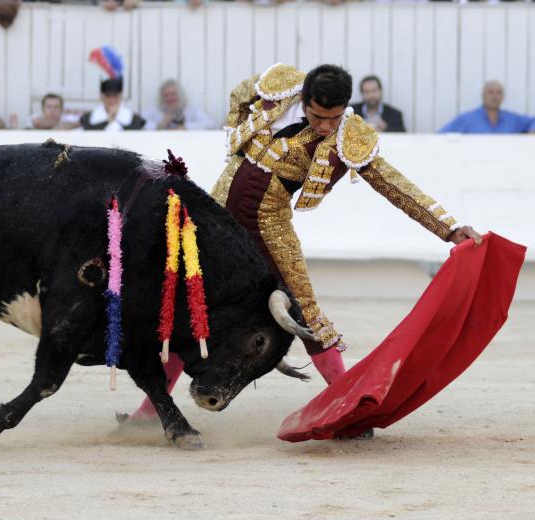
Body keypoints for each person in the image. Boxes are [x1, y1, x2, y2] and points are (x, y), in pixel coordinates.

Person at [125, 63, 482, 425]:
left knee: (304, 309)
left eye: (334, 118)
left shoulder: (348, 136)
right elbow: (240, 95)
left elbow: (394, 184)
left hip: (268, 226)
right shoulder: (279, 88)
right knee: (189, 304)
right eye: (318, 116)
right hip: (216, 216)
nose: (325, 126)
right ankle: (151, 410)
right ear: (304, 99)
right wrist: (237, 134)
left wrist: (450, 228)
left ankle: (347, 405)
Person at [439, 80, 532, 134]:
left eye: (499, 92)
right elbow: (440, 135)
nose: (495, 96)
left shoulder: (512, 119)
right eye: (490, 92)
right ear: (483, 95)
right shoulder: (467, 119)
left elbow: (532, 121)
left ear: (503, 97)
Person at [143, 79, 214, 131]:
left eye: (173, 94)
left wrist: (185, 127)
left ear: (180, 95)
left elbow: (210, 124)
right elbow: (140, 124)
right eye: (165, 95)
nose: (169, 98)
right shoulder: (154, 110)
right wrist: (159, 126)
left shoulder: (191, 109)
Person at [80, 78, 145, 131]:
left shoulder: (134, 118)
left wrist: (114, 117)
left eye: (115, 95)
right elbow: (89, 131)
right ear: (102, 96)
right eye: (108, 95)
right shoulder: (88, 117)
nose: (112, 99)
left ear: (121, 96)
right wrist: (108, 120)